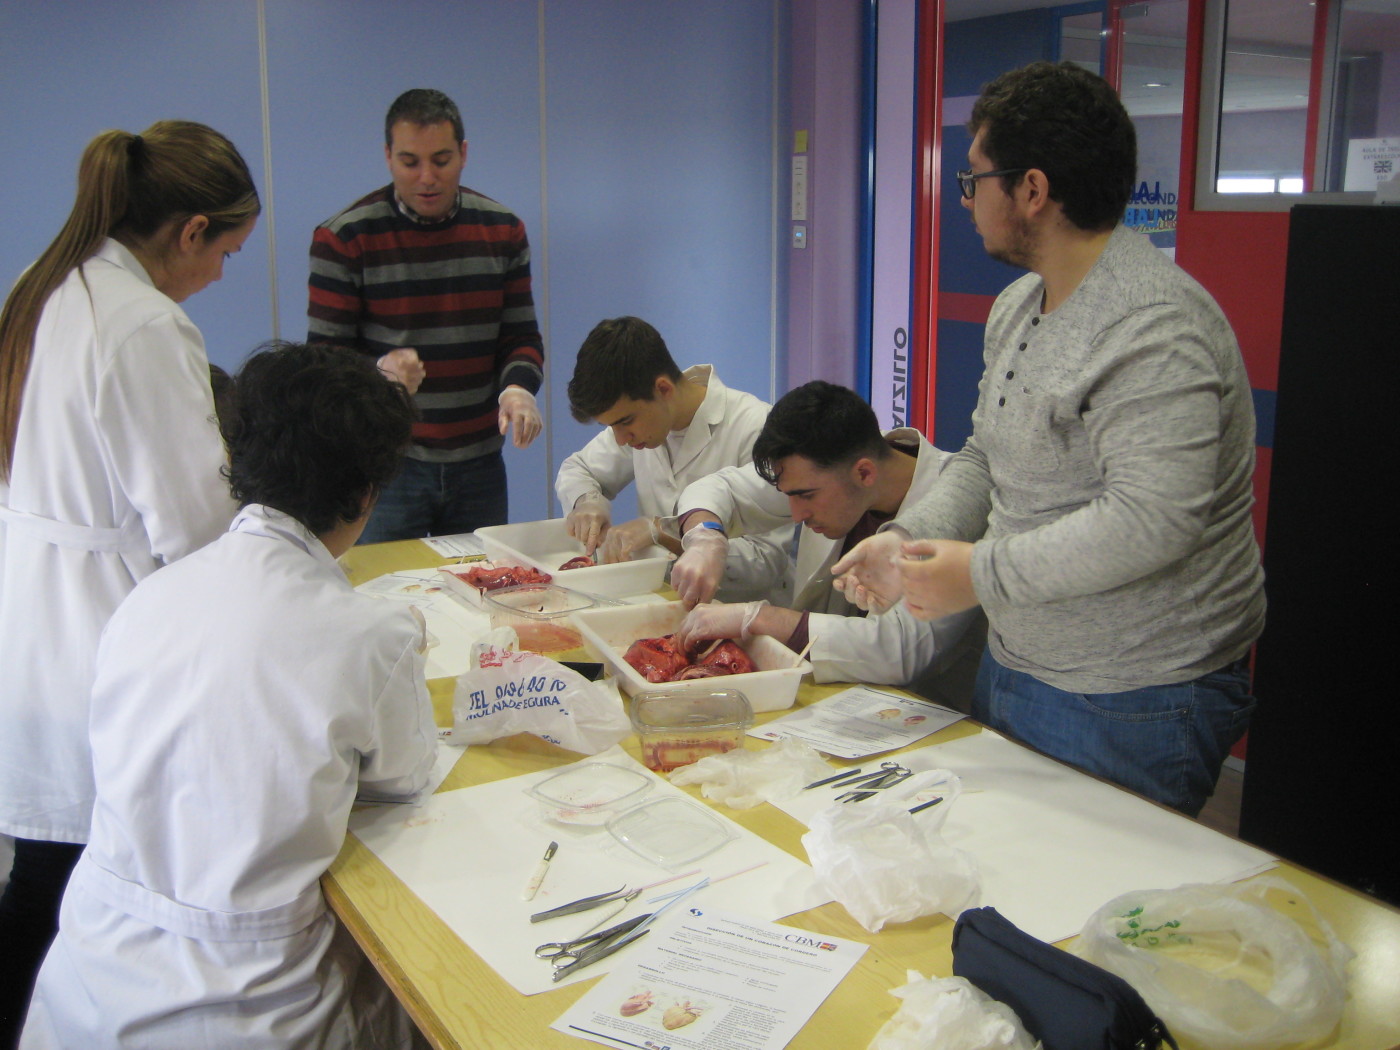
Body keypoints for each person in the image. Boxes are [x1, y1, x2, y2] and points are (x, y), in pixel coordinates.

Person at [832, 62, 1265, 816]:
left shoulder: (1152, 327)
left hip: (1134, 690)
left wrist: (980, 574)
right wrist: (905, 539)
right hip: (1024, 658)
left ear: (1031, 191)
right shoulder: (1017, 308)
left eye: (973, 182)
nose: (965, 202)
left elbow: (1152, 521)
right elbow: (982, 459)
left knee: (1087, 916)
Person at [21, 343, 437, 1049]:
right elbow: (405, 780)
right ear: (367, 492)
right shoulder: (370, 631)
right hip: (254, 1005)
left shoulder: (147, 598)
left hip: (88, 985)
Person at [0, 120, 258, 1045]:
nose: (223, 272)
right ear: (190, 233)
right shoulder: (143, 321)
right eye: (226, 250)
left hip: (35, 615)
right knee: (70, 885)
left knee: (47, 862)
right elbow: (196, 524)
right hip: (97, 633)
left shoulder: (50, 287)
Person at [309, 87, 544, 542]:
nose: (427, 178)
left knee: (483, 595)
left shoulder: (501, 230)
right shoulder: (345, 237)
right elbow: (323, 362)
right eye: (409, 162)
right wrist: (378, 371)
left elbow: (520, 336)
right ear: (387, 157)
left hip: (479, 462)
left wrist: (517, 388)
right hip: (389, 466)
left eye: (441, 160)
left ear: (464, 153)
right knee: (389, 598)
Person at [669, 382, 982, 709]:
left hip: (929, 712)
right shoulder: (825, 460)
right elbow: (720, 488)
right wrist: (705, 538)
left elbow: (899, 651)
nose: (796, 515)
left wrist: (761, 618)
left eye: (805, 496)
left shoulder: (955, 507)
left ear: (864, 473)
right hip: (832, 700)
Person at [556, 316, 787, 601]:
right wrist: (587, 502)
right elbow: (577, 468)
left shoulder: (754, 426)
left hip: (742, 616)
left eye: (624, 422)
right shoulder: (643, 425)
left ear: (663, 389)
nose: (619, 439)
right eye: (611, 426)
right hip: (665, 604)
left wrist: (664, 535)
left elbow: (766, 563)